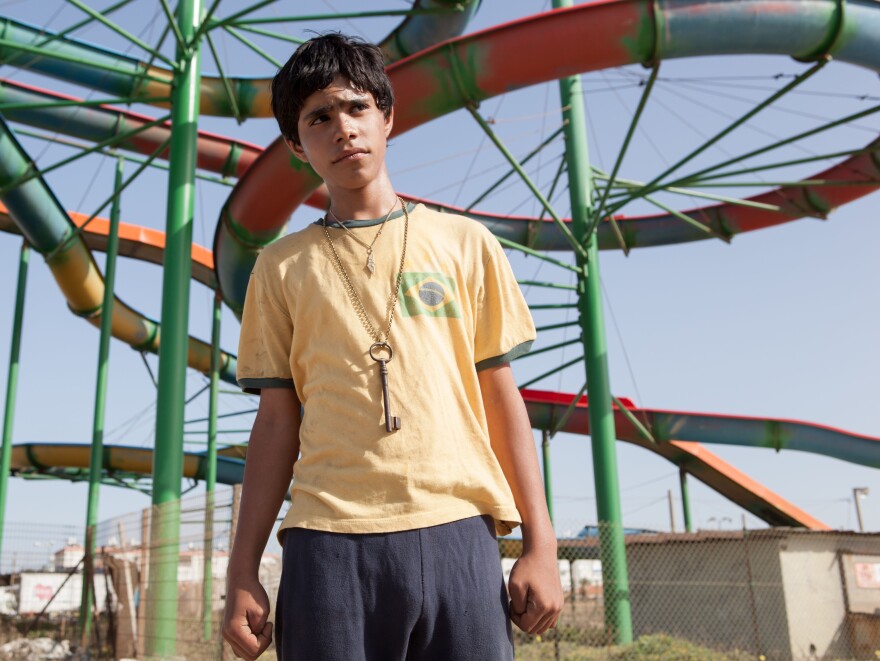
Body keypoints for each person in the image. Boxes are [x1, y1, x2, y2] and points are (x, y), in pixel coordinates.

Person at [222, 33, 563, 661]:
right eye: (318, 118)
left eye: (356, 108)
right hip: (329, 541)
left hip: (459, 525)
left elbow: (499, 397)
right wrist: (242, 568)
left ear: (387, 117)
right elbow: (275, 420)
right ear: (297, 146)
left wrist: (541, 543)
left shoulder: (465, 243)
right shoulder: (280, 266)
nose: (343, 129)